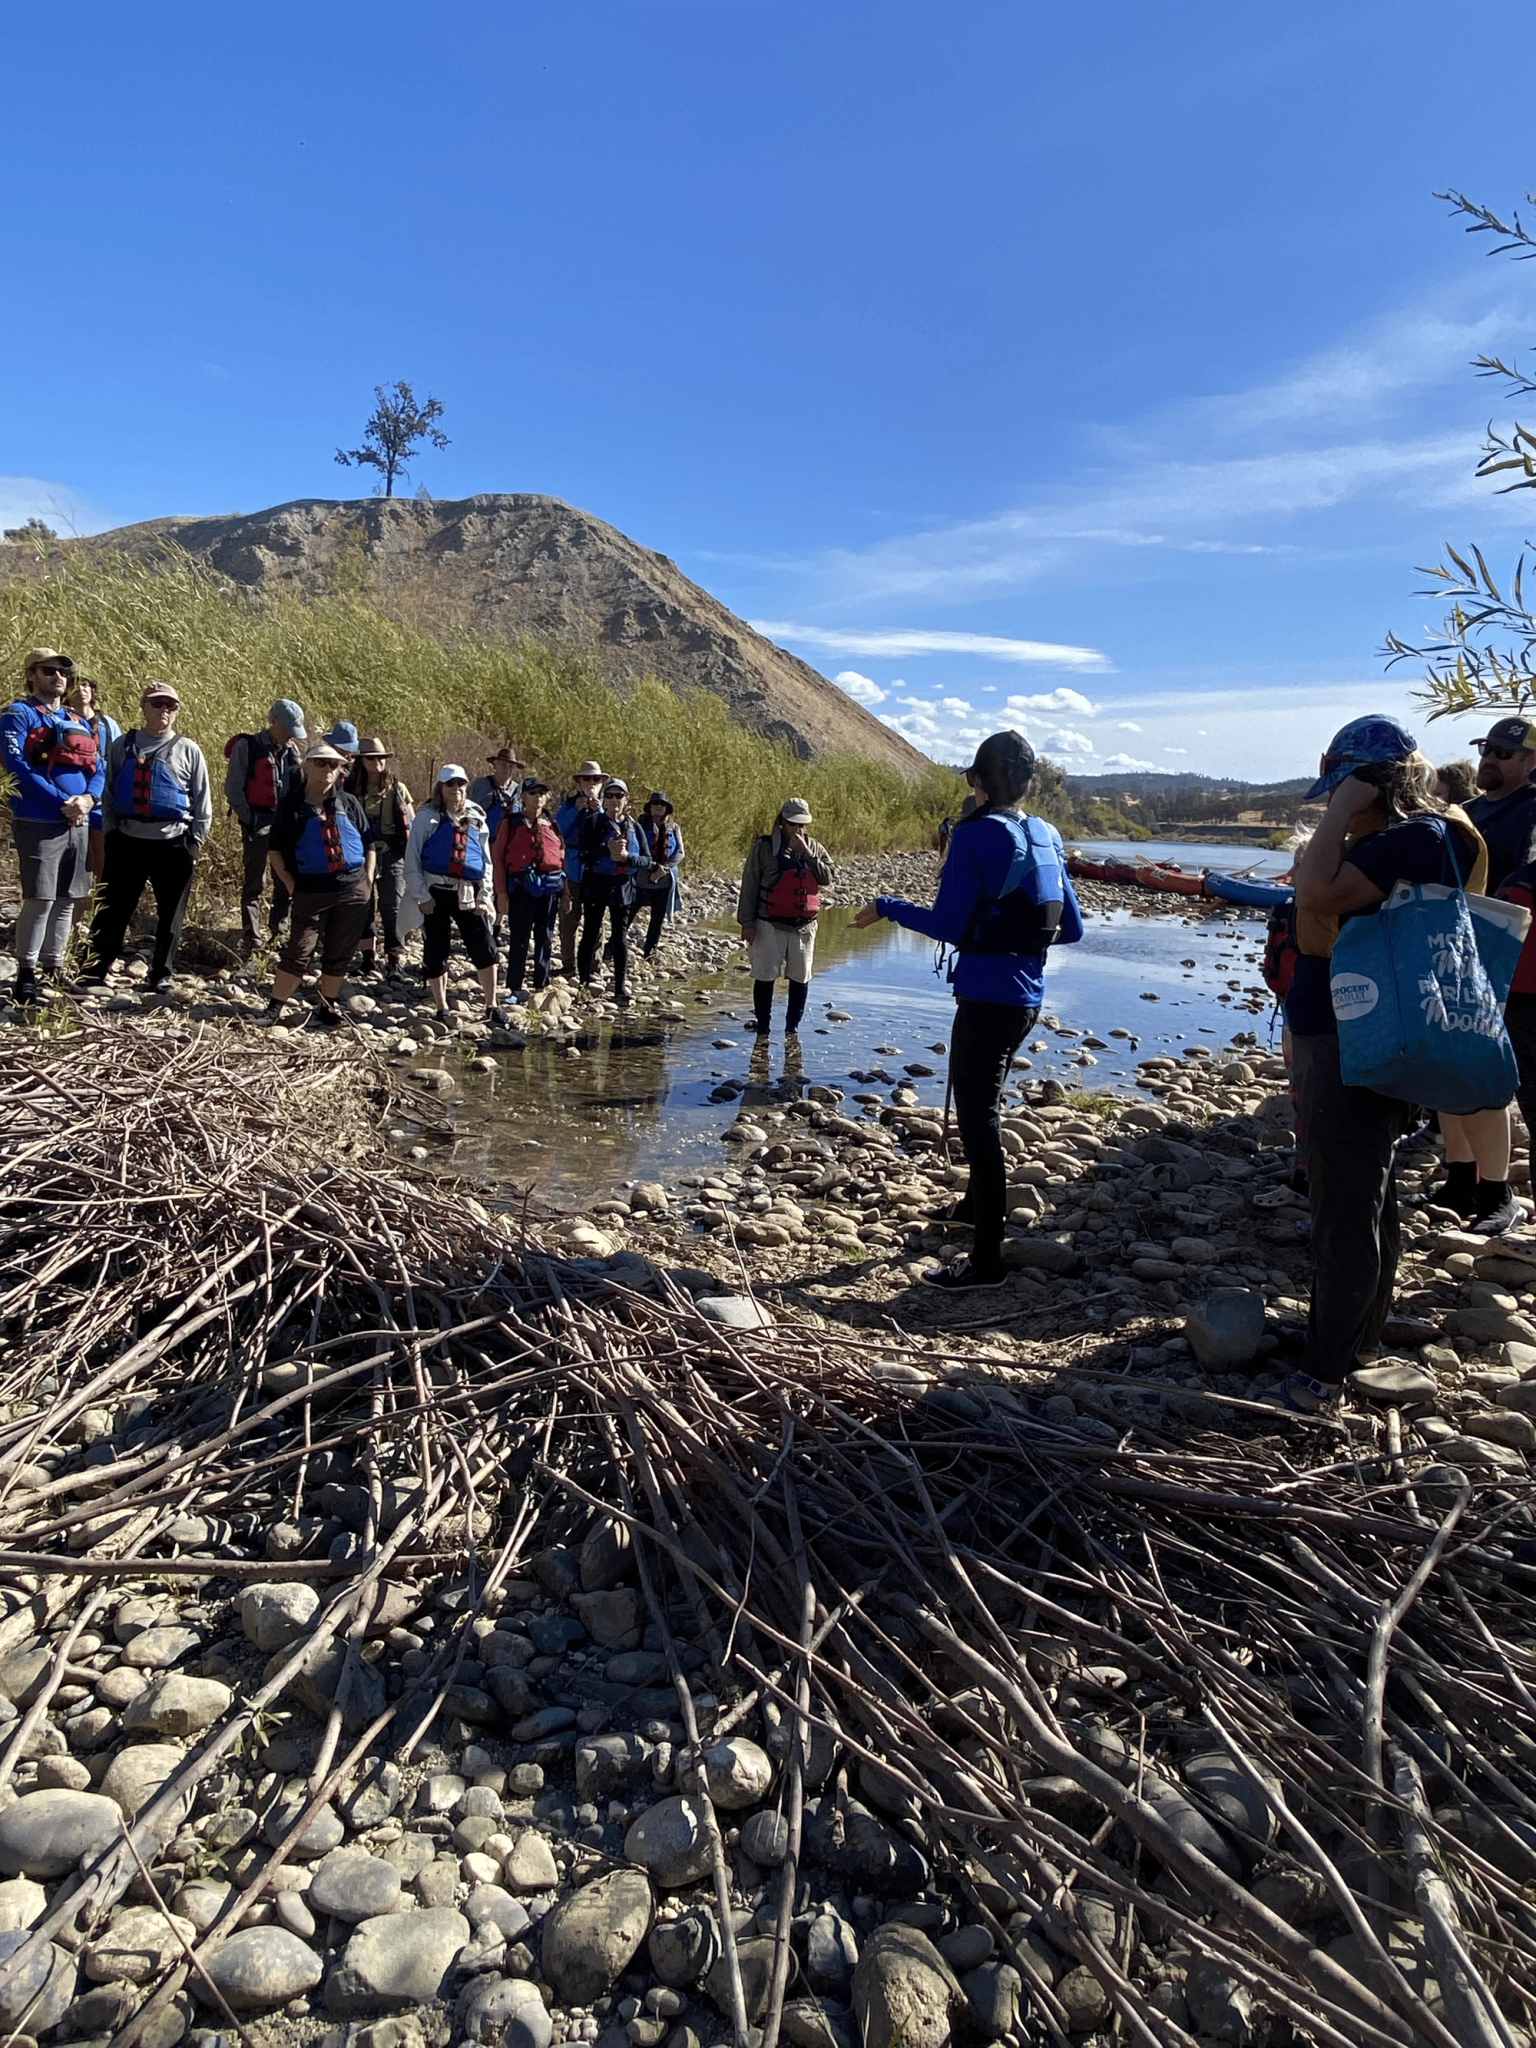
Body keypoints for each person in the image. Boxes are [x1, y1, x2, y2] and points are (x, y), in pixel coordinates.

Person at [1283, 715, 1500, 1413]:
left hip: (1358, 1037)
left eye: (1342, 787)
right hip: (1369, 1032)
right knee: (1368, 1194)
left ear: (1371, 783)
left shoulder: (1414, 836)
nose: (1332, 800)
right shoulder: (1425, 835)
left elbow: (1316, 895)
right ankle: (1356, 1340)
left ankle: (1323, 1373)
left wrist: (1339, 812)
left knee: (1344, 1205)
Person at [852, 731, 1081, 1292]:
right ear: (1027, 783)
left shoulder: (975, 835)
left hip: (986, 999)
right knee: (986, 1104)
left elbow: (949, 926)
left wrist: (887, 906)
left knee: (980, 1122)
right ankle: (972, 1208)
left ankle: (986, 1263)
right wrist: (1015, 934)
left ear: (978, 780)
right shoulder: (1046, 833)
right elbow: (1072, 928)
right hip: (1027, 999)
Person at [84, 683, 212, 993]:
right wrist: (112, 832)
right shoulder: (123, 745)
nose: (164, 710)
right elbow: (109, 791)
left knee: (170, 914)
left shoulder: (189, 749)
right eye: (157, 704)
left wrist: (194, 843)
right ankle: (93, 970)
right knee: (112, 909)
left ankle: (161, 974)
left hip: (174, 842)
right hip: (128, 840)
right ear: (143, 707)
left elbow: (202, 801)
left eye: (171, 705)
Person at [0, 648, 103, 1003]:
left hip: (78, 820)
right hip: (38, 819)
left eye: (63, 672)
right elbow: (16, 765)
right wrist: (62, 801)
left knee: (67, 899)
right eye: (48, 670)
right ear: (31, 675)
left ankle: (54, 967)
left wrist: (88, 799)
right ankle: (26, 974)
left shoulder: (77, 719)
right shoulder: (18, 714)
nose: (58, 677)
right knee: (40, 897)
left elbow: (99, 767)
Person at [264, 743, 374, 1026]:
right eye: (321, 763)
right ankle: (274, 1008)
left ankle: (328, 1006)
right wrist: (290, 885)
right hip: (310, 890)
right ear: (307, 766)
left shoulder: (349, 802)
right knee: (300, 949)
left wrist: (368, 881)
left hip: (353, 889)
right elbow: (275, 850)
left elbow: (368, 843)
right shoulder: (291, 804)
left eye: (334, 765)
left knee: (339, 951)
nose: (328, 769)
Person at [404, 765, 505, 1027]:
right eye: (450, 784)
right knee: (436, 949)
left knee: (485, 946)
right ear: (440, 787)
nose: (456, 788)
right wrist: (421, 896)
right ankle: (441, 1007)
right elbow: (412, 860)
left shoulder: (476, 817)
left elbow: (485, 860)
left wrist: (485, 894)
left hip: (468, 891)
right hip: (435, 890)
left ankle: (492, 1005)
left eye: (461, 783)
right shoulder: (427, 817)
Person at [737, 798, 837, 1038]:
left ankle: (792, 1031)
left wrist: (807, 854)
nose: (798, 829)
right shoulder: (763, 847)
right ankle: (763, 1029)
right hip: (768, 924)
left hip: (804, 927)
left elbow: (827, 877)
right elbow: (750, 884)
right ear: (781, 822)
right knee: (765, 976)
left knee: (800, 978)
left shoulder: (815, 847)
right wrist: (747, 923)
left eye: (802, 824)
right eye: (793, 824)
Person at [225, 699, 305, 957]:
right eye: (288, 729)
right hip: (257, 823)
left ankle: (278, 933)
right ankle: (252, 937)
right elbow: (233, 789)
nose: (291, 735)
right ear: (274, 722)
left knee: (284, 879)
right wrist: (250, 820)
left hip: (285, 825)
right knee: (254, 882)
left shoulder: (292, 751)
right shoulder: (247, 747)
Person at [348, 738, 415, 978]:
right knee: (364, 905)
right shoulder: (350, 789)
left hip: (392, 852)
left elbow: (411, 820)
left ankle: (394, 958)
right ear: (361, 761)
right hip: (360, 854)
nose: (377, 762)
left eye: (381, 757)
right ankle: (368, 958)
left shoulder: (398, 788)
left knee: (392, 905)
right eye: (371, 758)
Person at [495, 777, 566, 998]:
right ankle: (515, 987)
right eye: (532, 793)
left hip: (550, 888)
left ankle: (540, 986)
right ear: (523, 797)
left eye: (541, 793)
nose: (537, 797)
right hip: (521, 887)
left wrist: (566, 893)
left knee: (545, 937)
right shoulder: (510, 823)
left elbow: (562, 859)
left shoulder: (552, 824)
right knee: (519, 937)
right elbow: (498, 858)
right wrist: (501, 892)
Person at [576, 779, 642, 1007]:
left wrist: (627, 858)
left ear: (626, 800)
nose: (614, 800)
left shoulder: (634, 826)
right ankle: (583, 984)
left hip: (622, 887)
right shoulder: (593, 822)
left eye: (619, 796)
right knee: (590, 934)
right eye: (610, 795)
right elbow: (583, 854)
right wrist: (607, 848)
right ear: (604, 799)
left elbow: (646, 860)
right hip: (595, 886)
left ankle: (620, 987)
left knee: (620, 938)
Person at [67, 675, 121, 907]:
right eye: (75, 684)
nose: (81, 689)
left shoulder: (108, 724)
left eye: (86, 684)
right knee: (74, 863)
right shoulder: (63, 720)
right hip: (73, 798)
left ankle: (100, 911)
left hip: (103, 802)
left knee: (103, 862)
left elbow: (118, 760)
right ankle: (74, 915)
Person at [1465, 715, 1536, 889]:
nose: (1489, 759)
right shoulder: (1465, 810)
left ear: (1531, 761)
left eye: (1502, 752)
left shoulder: (1531, 813)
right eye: (1486, 749)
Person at [555, 761, 608, 976]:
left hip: (596, 871)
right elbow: (556, 830)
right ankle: (568, 964)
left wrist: (600, 811)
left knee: (596, 920)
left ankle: (594, 965)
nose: (591, 782)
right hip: (572, 869)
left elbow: (611, 832)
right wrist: (576, 810)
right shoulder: (569, 804)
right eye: (587, 778)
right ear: (579, 782)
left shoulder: (607, 806)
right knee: (568, 919)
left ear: (601, 783)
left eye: (595, 779)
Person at [634, 791, 684, 958]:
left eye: (662, 804)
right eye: (655, 803)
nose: (658, 807)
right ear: (649, 807)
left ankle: (650, 952)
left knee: (657, 918)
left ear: (667, 808)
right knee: (628, 914)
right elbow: (635, 849)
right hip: (641, 878)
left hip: (664, 880)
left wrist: (663, 868)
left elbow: (680, 852)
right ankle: (611, 949)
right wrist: (652, 868)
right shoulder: (639, 825)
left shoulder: (674, 827)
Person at [470, 746, 525, 849]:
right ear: (495, 764)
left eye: (511, 766)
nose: (507, 769)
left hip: (510, 845)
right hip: (484, 842)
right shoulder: (481, 785)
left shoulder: (520, 791)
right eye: (503, 764)